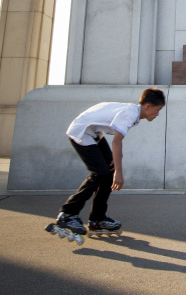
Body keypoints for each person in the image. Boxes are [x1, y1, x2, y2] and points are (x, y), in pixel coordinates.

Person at [53, 87, 166, 235]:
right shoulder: (129, 114)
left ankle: (97, 219)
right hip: (81, 131)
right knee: (100, 173)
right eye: (157, 110)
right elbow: (117, 141)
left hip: (93, 132)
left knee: (109, 171)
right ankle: (67, 214)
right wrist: (119, 172)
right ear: (147, 106)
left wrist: (116, 167)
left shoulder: (132, 112)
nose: (157, 114)